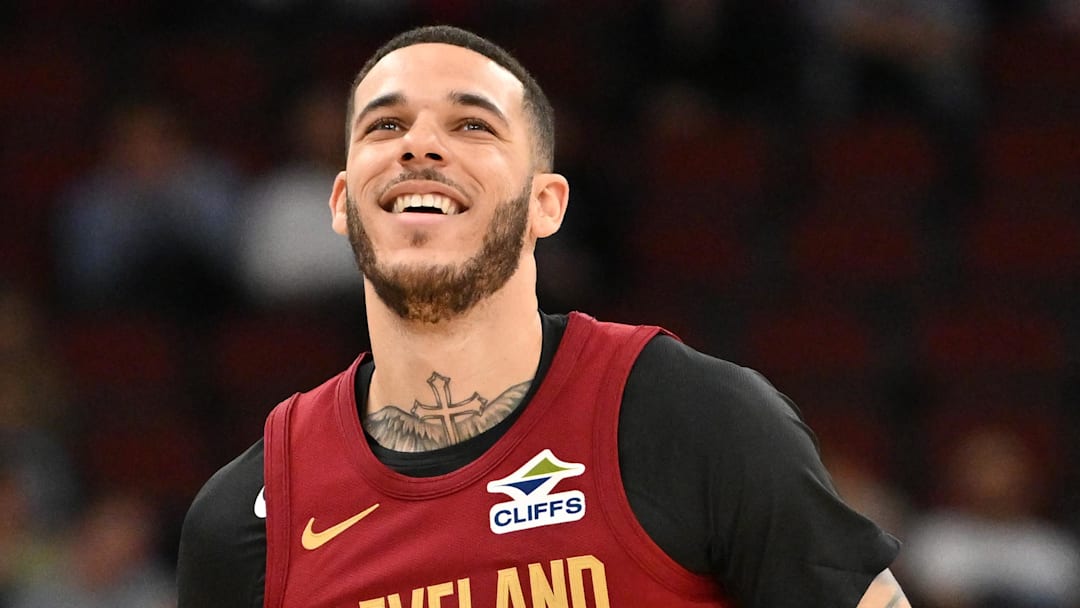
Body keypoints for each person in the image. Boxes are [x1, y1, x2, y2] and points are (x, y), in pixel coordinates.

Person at [177, 25, 908, 607]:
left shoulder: (690, 417)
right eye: (385, 125)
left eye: (472, 125)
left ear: (545, 205)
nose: (419, 144)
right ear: (342, 201)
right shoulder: (246, 518)